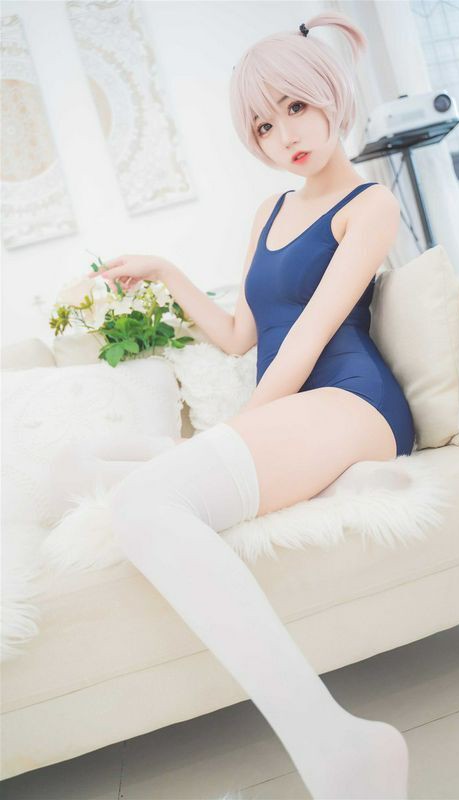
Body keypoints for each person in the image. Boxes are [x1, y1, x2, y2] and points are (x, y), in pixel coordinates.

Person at [63, 10, 413, 799]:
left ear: (329, 94)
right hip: (296, 411)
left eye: (295, 106)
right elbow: (236, 334)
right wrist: (165, 270)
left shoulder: (369, 205)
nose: (283, 135)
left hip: (350, 399)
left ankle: (341, 750)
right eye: (262, 124)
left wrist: (238, 425)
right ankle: (335, 481)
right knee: (81, 464)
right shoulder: (269, 213)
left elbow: (309, 337)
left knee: (146, 503)